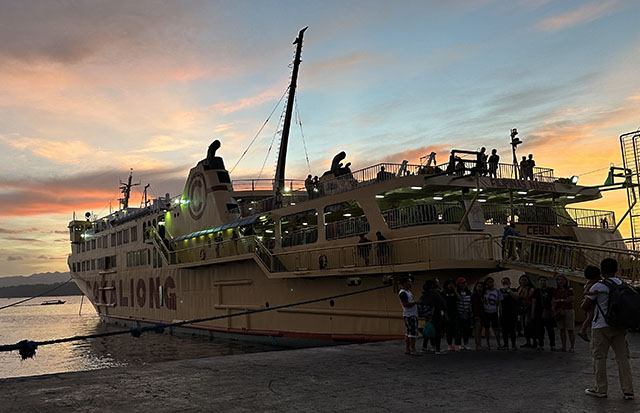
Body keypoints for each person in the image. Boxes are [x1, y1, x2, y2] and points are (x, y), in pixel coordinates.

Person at [582, 258, 634, 400]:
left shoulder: (598, 286)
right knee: (622, 359)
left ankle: (601, 389)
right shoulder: (623, 284)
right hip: (620, 326)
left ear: (602, 270)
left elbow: (585, 306)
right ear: (616, 269)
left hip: (601, 326)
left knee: (599, 358)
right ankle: (628, 390)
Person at [419, 279, 447, 354]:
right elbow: (439, 304)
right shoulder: (435, 294)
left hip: (427, 315)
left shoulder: (425, 294)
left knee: (428, 331)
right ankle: (437, 348)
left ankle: (425, 347)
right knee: (437, 331)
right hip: (435, 314)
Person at [532, 276, 556, 351]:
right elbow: (534, 302)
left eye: (544, 280)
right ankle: (541, 344)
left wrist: (553, 309)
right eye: (541, 281)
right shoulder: (536, 291)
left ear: (547, 281)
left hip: (548, 312)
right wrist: (532, 313)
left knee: (550, 329)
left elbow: (553, 300)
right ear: (539, 282)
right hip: (539, 312)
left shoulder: (551, 290)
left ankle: (552, 345)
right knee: (539, 329)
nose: (543, 282)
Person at [578, 265, 601, 342]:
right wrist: (592, 292)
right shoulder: (591, 283)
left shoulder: (590, 282)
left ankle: (584, 331)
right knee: (590, 317)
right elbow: (585, 292)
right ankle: (582, 330)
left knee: (589, 317)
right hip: (590, 303)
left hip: (588, 302)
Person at [553, 275, 575, 352]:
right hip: (559, 310)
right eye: (559, 280)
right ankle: (563, 346)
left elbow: (571, 299)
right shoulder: (556, 291)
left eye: (562, 279)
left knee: (570, 329)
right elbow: (553, 300)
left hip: (568, 310)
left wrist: (560, 300)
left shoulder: (569, 290)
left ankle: (572, 347)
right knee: (562, 329)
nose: (560, 281)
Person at [398, 277, 420, 356]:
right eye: (408, 282)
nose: (410, 283)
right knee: (412, 333)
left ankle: (408, 349)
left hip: (410, 314)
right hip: (410, 314)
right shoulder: (403, 293)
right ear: (404, 283)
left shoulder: (408, 292)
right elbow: (405, 304)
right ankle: (413, 350)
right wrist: (415, 303)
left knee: (408, 332)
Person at [482, 277, 504, 350]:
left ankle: (499, 343)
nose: (490, 284)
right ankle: (488, 343)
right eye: (489, 282)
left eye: (491, 282)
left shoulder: (497, 291)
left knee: (496, 328)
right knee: (486, 328)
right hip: (486, 312)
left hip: (494, 311)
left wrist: (500, 311)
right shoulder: (484, 291)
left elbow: (500, 302)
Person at [500, 277, 519, 350]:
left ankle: (513, 344)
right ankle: (505, 344)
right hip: (503, 313)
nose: (505, 284)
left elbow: (516, 297)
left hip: (512, 312)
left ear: (509, 283)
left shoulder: (513, 290)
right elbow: (499, 302)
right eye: (503, 282)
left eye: (506, 282)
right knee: (504, 330)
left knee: (512, 329)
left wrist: (508, 290)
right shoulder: (500, 291)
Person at [442, 280, 462, 352]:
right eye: (449, 284)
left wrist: (454, 290)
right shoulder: (443, 293)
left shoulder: (455, 292)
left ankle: (457, 344)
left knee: (457, 329)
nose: (450, 286)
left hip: (455, 312)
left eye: (452, 285)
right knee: (448, 330)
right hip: (447, 312)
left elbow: (460, 299)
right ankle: (449, 344)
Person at [517, 275, 536, 348]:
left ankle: (534, 341)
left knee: (529, 324)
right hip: (522, 309)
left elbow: (533, 300)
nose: (523, 281)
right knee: (524, 326)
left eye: (525, 280)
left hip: (529, 309)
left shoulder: (531, 289)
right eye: (522, 280)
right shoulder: (519, 288)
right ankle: (527, 341)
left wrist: (532, 312)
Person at [456, 277, 473, 350]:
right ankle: (458, 344)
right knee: (458, 329)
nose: (463, 285)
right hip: (459, 313)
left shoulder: (469, 293)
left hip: (467, 312)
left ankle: (466, 344)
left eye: (464, 283)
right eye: (461, 283)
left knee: (467, 329)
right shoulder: (456, 293)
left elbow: (471, 303)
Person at [471, 281, 486, 350]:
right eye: (478, 286)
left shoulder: (483, 295)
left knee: (480, 330)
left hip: (483, 314)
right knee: (477, 329)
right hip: (477, 314)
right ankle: (478, 345)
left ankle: (479, 344)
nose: (480, 288)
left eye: (481, 287)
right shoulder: (474, 295)